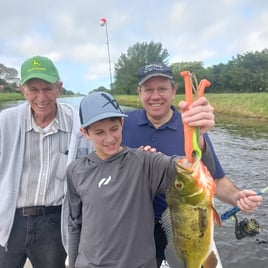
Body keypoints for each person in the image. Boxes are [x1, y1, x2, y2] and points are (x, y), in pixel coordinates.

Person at [122, 62, 263, 267]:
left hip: (181, 228)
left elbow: (215, 179)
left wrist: (236, 196)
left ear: (173, 91)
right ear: (139, 92)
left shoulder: (192, 127)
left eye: (162, 88)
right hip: (134, 226)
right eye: (148, 89)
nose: (155, 96)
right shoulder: (124, 123)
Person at [67, 91, 214, 268]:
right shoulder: (76, 170)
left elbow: (193, 169)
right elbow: (75, 224)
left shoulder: (145, 162)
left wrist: (197, 136)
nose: (109, 138)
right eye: (99, 132)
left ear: (122, 123)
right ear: (85, 132)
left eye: (114, 128)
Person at [0, 55, 92, 268]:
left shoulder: (77, 124)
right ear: (22, 89)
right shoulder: (6, 122)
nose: (41, 97)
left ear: (59, 88)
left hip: (53, 222)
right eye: (33, 89)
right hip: (10, 219)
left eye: (48, 88)